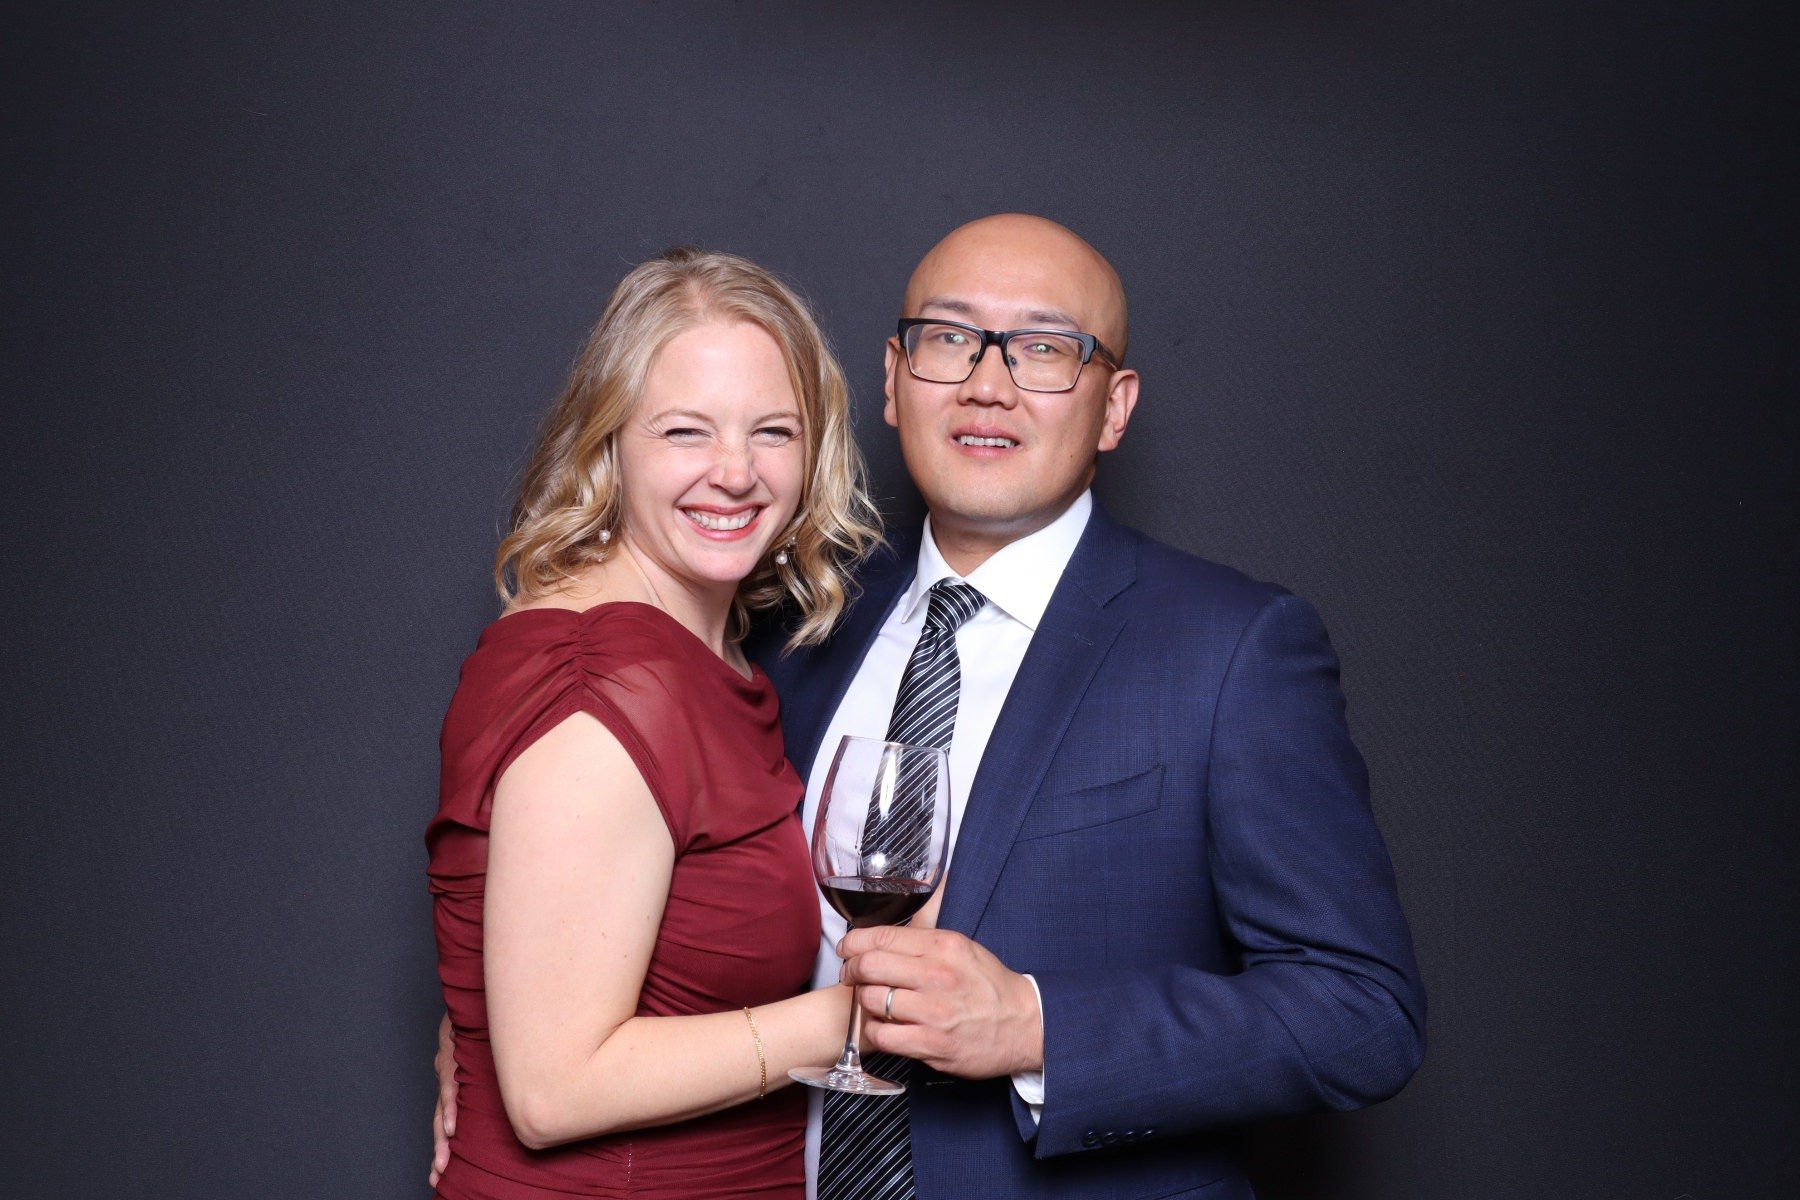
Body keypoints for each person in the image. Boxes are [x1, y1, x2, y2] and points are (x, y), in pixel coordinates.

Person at [437, 215, 1426, 1198]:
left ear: (1114, 406)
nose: (987, 383)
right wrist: (490, 1028)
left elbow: (1363, 1015)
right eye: (951, 339)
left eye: (1045, 348)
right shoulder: (787, 626)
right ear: (894, 381)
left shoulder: (1231, 648)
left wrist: (1036, 1028)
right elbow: (627, 911)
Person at [424, 247, 881, 1199]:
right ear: (608, 443)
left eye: (773, 432)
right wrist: (848, 1019)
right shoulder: (608, 682)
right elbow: (552, 1087)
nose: (735, 472)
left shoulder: (701, 658)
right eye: (684, 431)